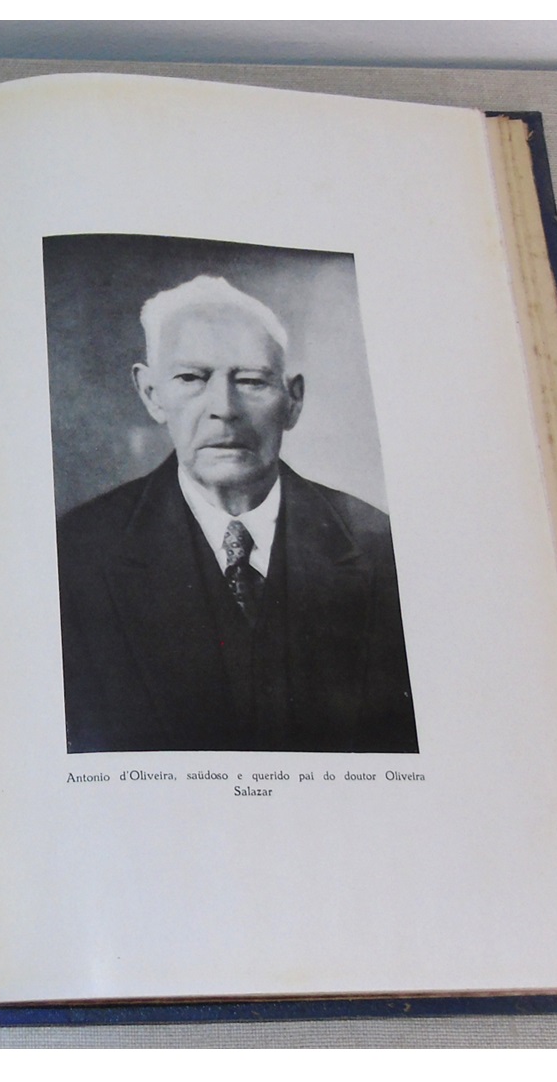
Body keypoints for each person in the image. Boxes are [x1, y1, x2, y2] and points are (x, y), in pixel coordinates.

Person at [55, 275, 417, 753]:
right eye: (191, 378)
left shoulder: (381, 550)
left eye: (251, 381)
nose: (224, 409)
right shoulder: (76, 556)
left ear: (293, 400)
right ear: (151, 394)